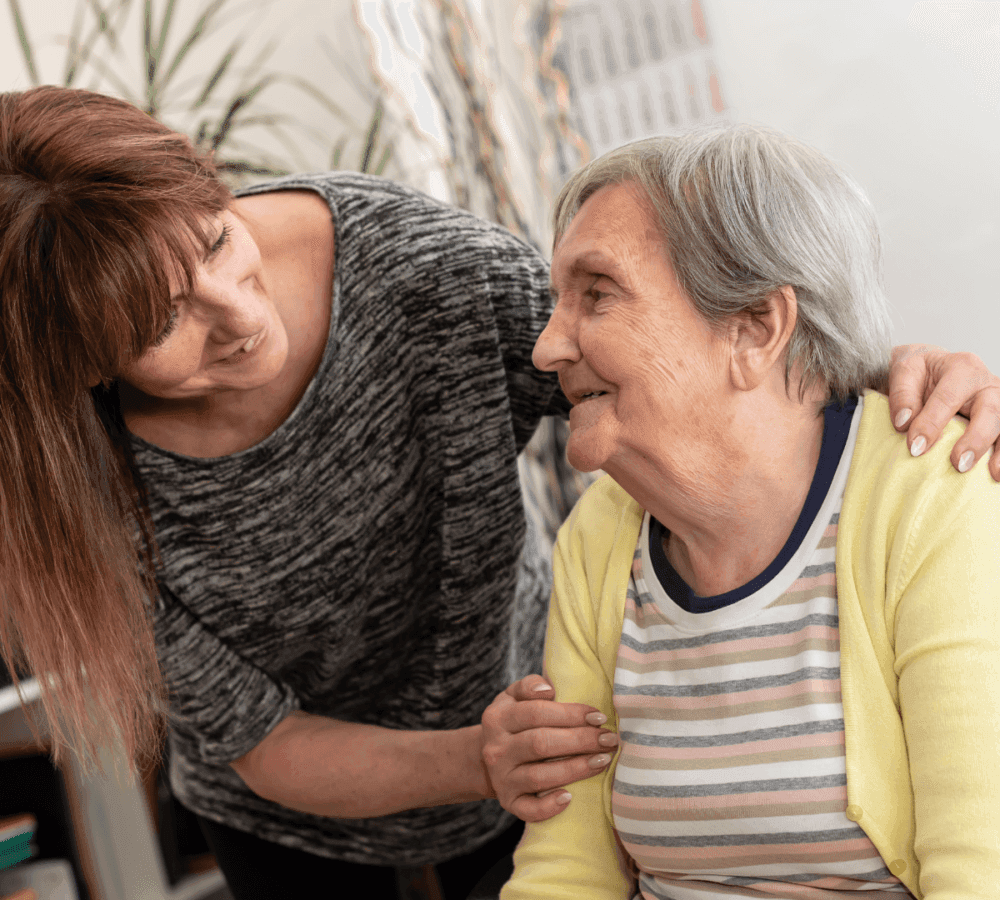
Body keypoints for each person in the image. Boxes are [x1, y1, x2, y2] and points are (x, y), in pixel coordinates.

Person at [0, 88, 995, 900]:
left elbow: (674, 361)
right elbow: (266, 742)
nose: (237, 311)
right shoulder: (72, 478)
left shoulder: (417, 272)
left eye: (215, 242)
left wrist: (896, 383)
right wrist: (482, 759)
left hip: (524, 733)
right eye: (164, 318)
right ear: (79, 364)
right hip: (308, 807)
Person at [499, 126, 1000, 899]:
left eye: (596, 294)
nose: (546, 347)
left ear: (755, 329)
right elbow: (565, 870)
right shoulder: (600, 536)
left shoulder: (932, 499)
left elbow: (979, 873)